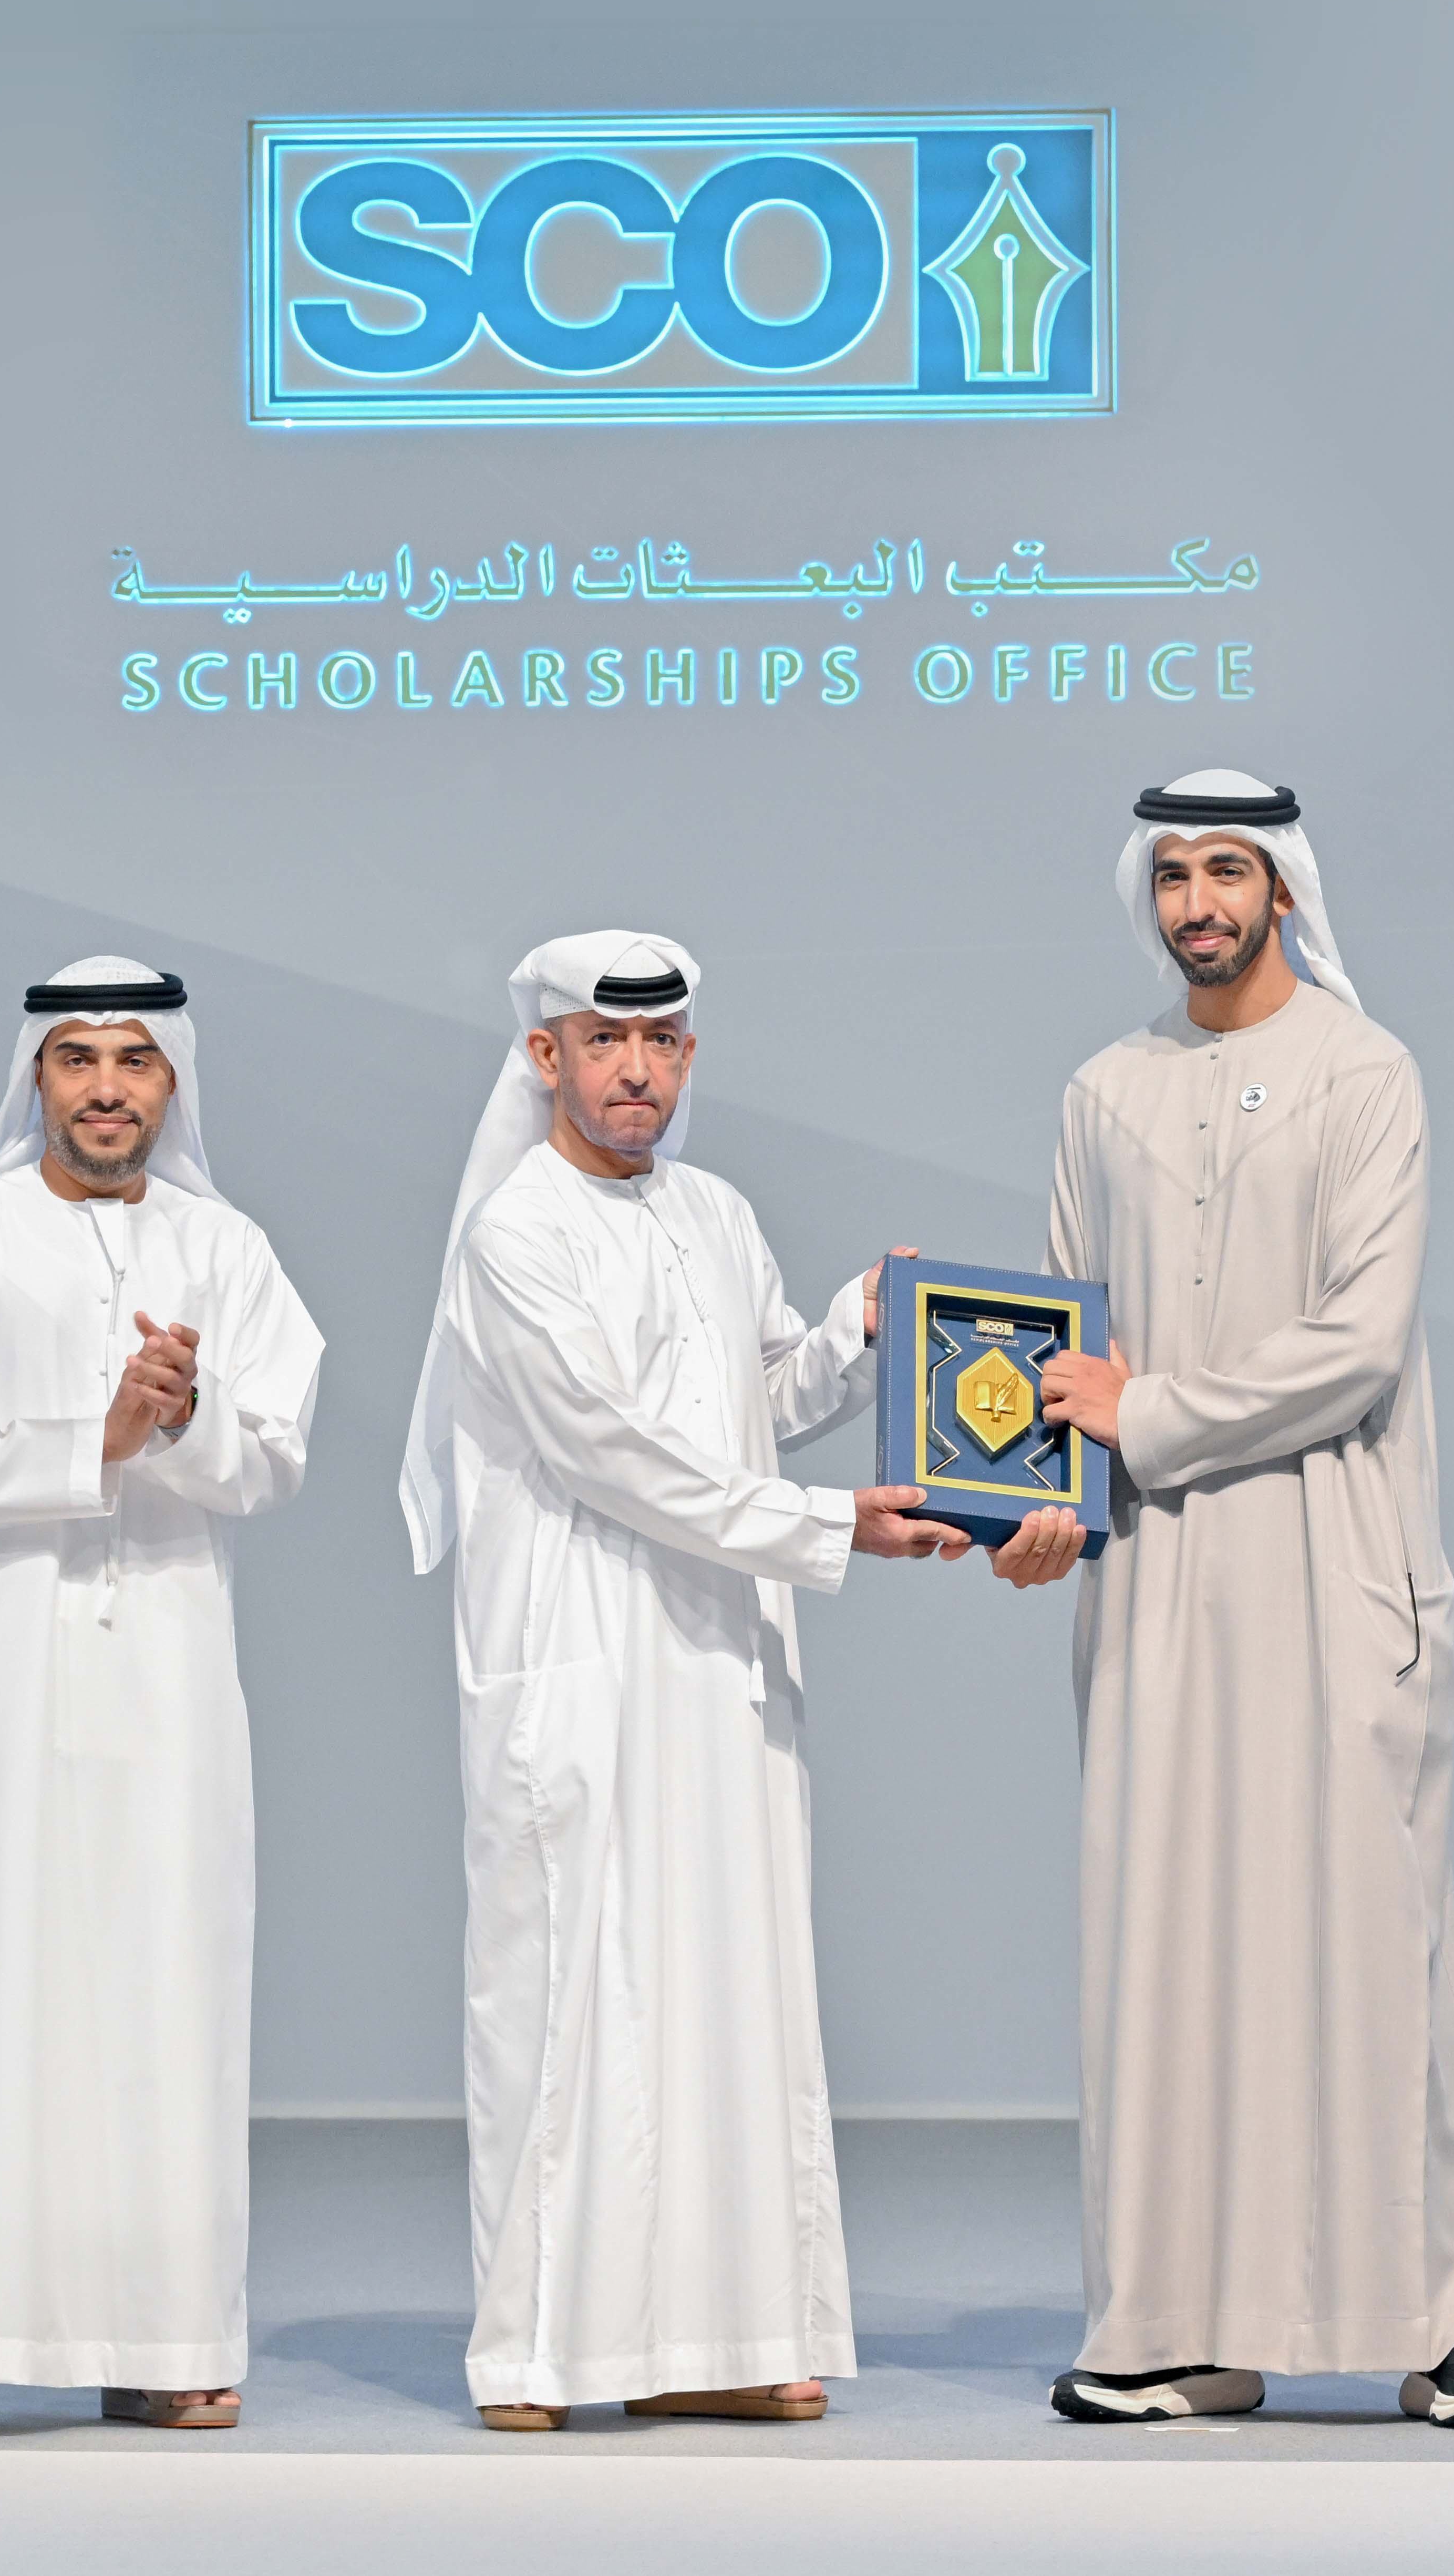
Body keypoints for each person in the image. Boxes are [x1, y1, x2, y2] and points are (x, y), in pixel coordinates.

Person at [1006, 771, 1454, 2430]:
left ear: (1281, 887)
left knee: (1373, 1941)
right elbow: (1063, 1341)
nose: (1197, 903)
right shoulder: (1103, 1092)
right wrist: (1036, 1501)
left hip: (1333, 1555)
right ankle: (1171, 2325)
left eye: (1225, 869)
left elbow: (1358, 1344)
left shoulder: (1366, 1074)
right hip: (1161, 1579)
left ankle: (1444, 2325)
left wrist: (1145, 1414)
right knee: (1164, 1943)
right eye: (1172, 874)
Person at [399, 931, 970, 2430]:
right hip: (583, 1659)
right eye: (605, 1041)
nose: (635, 1070)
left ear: (690, 1056)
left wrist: (857, 1329)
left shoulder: (715, 1212)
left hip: (720, 1659)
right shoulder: (513, 1233)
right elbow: (610, 1448)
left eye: (660, 1043)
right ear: (546, 1056)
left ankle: (722, 2339)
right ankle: (538, 2353)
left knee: (731, 1987)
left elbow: (754, 1400)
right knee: (571, 1995)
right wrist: (831, 1525)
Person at [0, 956, 324, 2437]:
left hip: (166, 1668)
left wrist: (182, 1420)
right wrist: (96, 1436)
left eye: (135, 1060)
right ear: (37, 1079)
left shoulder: (227, 1248)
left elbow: (275, 1455)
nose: (108, 1089)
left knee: (164, 1991)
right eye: (79, 1060)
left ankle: (164, 2336)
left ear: (171, 1081)